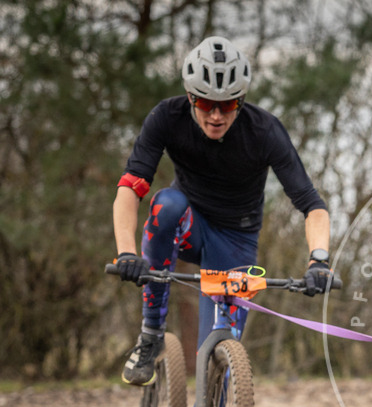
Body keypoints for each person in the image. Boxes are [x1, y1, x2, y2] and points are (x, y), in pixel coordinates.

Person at [112, 35, 333, 386]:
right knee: (165, 204)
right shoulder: (166, 118)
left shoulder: (264, 131)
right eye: (204, 102)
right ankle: (151, 333)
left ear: (241, 101)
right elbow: (130, 187)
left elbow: (312, 206)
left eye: (228, 106)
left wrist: (318, 260)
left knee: (215, 366)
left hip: (235, 242)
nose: (216, 115)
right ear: (190, 96)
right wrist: (126, 252)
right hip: (188, 226)